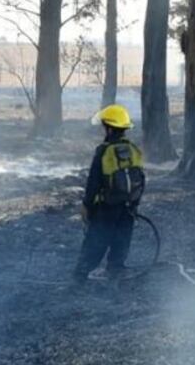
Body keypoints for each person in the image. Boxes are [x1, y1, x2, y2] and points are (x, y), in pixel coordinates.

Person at [73, 104, 145, 281]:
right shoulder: (132, 149)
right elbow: (141, 179)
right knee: (122, 237)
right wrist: (134, 205)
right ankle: (116, 268)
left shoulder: (104, 151)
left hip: (106, 206)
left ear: (109, 128)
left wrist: (86, 205)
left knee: (96, 239)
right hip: (128, 205)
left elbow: (93, 182)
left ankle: (81, 274)